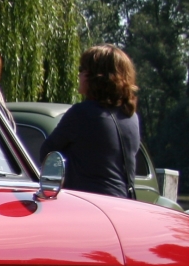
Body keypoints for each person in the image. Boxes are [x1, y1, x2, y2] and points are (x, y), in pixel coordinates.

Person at [38, 45, 140, 199]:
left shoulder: (82, 113)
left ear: (94, 76)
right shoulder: (131, 117)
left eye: (82, 69)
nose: (79, 75)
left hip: (89, 204)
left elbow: (47, 154)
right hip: (123, 203)